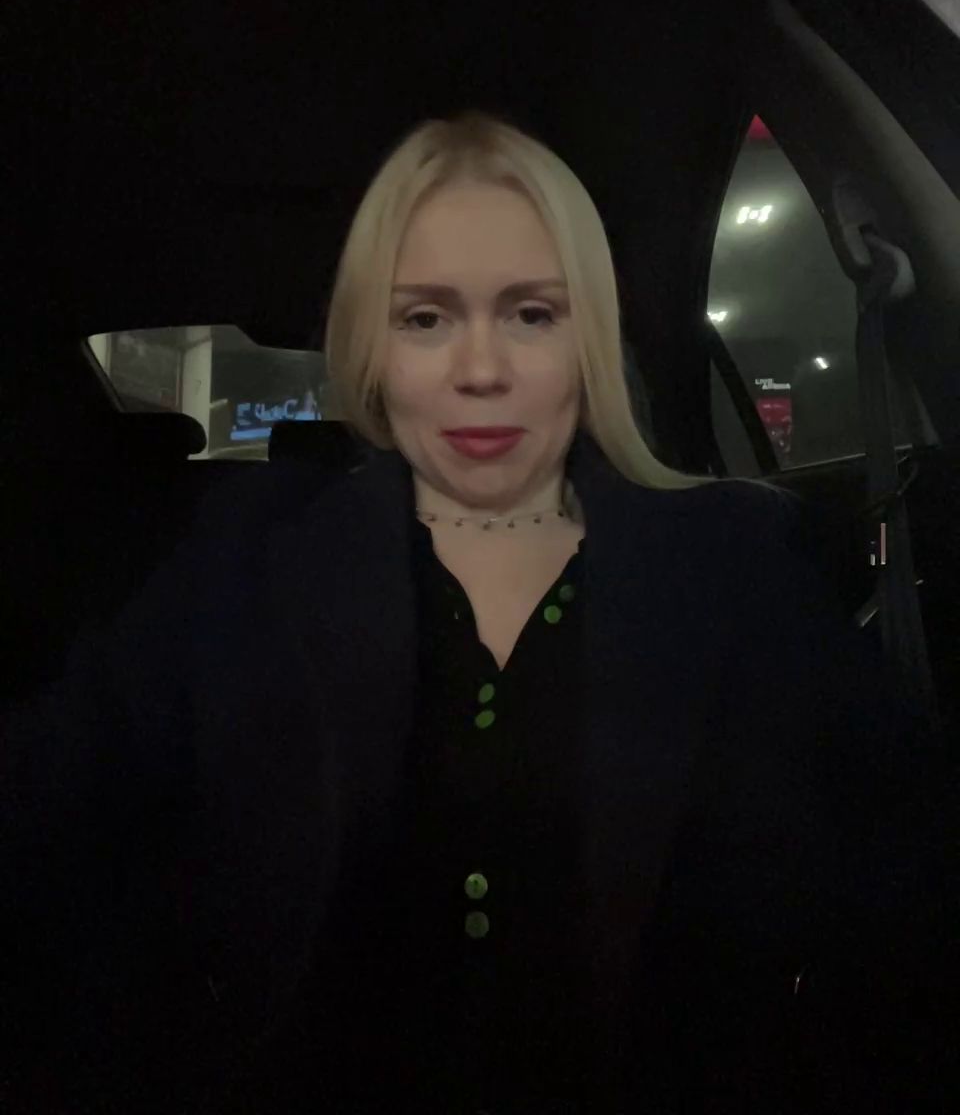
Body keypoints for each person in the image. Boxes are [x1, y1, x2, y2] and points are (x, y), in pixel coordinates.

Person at [1, 113, 955, 1115]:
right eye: (425, 318)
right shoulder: (244, 556)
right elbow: (52, 812)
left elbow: (909, 883)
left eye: (531, 313)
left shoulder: (738, 563)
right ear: (371, 345)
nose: (482, 368)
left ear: (588, 338)